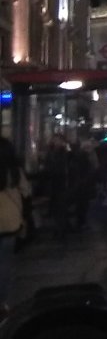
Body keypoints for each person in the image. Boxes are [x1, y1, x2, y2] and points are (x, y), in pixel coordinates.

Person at [0, 136, 31, 319]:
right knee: (5, 263)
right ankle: (2, 303)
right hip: (10, 222)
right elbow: (26, 191)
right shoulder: (14, 171)